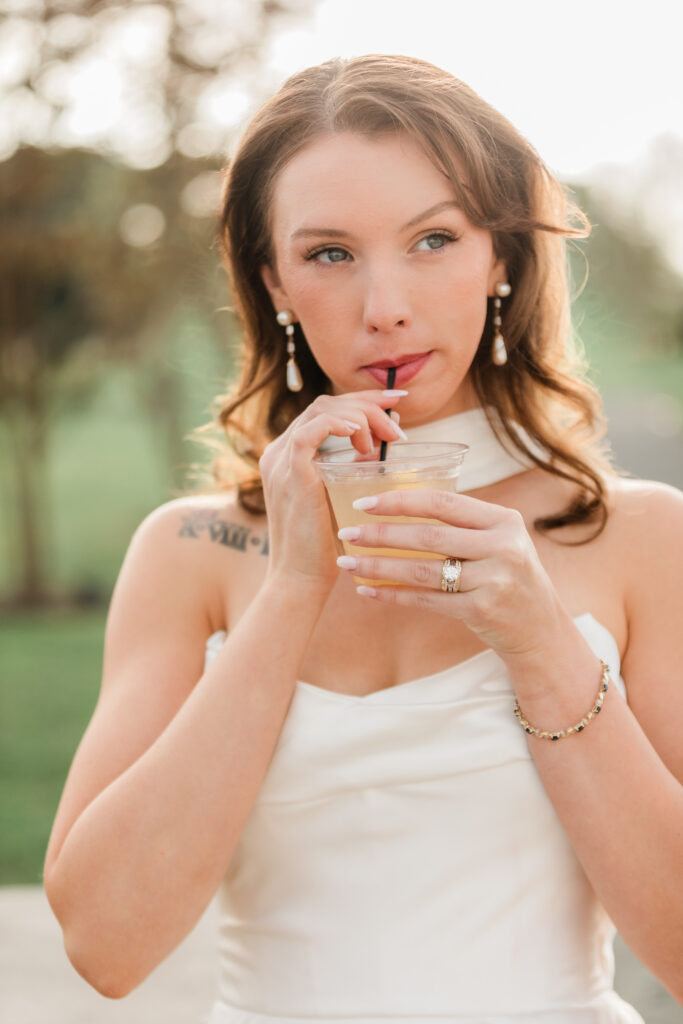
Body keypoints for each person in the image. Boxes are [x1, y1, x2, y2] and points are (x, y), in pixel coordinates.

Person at [43, 54, 683, 1023]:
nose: (383, 303)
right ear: (276, 284)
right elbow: (104, 942)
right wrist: (291, 587)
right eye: (330, 253)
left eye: (432, 238)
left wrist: (542, 644)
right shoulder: (192, 553)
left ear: (499, 255)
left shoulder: (635, 537)